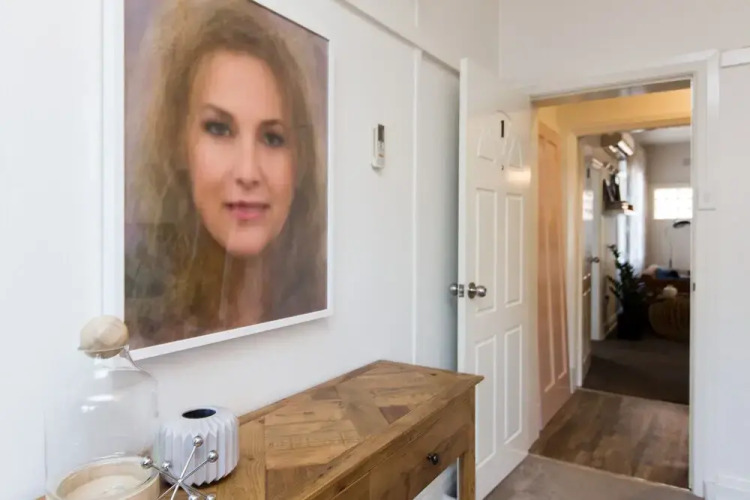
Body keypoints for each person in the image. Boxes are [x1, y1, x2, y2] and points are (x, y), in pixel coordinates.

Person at [125, 0, 327, 349]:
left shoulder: (315, 297)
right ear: (178, 144)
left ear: (300, 161)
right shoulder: (139, 316)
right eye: (219, 129)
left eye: (273, 138)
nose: (248, 172)